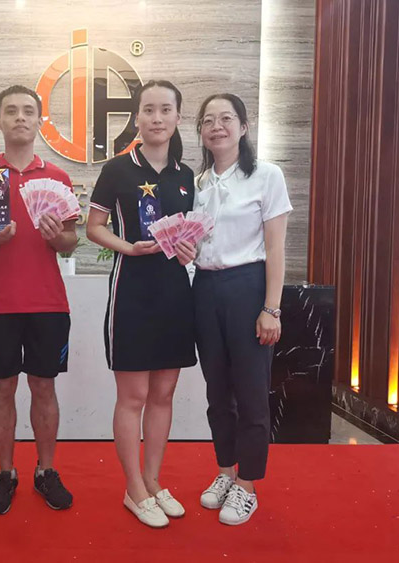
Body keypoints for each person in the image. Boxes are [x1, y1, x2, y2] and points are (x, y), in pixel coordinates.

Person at [0, 85, 77, 515]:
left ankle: (46, 471)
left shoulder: (58, 177)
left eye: (29, 111)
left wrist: (57, 238)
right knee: (2, 388)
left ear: (40, 121)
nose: (20, 117)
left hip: (49, 303)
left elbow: (71, 240)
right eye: (11, 111)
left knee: (44, 387)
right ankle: (5, 473)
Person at [86, 80, 197, 528]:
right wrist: (128, 248)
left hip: (175, 293)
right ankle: (133, 488)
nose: (156, 118)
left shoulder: (186, 175)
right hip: (131, 290)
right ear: (137, 117)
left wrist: (189, 249)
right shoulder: (117, 169)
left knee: (163, 394)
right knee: (133, 396)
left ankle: (153, 480)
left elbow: (189, 234)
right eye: (148, 110)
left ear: (177, 117)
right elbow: (94, 227)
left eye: (165, 110)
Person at [192, 93, 292, 526]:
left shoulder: (266, 176)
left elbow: (276, 248)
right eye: (208, 120)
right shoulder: (198, 184)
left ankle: (247, 484)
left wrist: (272, 308)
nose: (217, 126)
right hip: (204, 288)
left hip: (248, 287)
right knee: (217, 393)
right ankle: (225, 472)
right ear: (201, 131)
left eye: (226, 118)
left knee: (251, 392)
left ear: (244, 127)